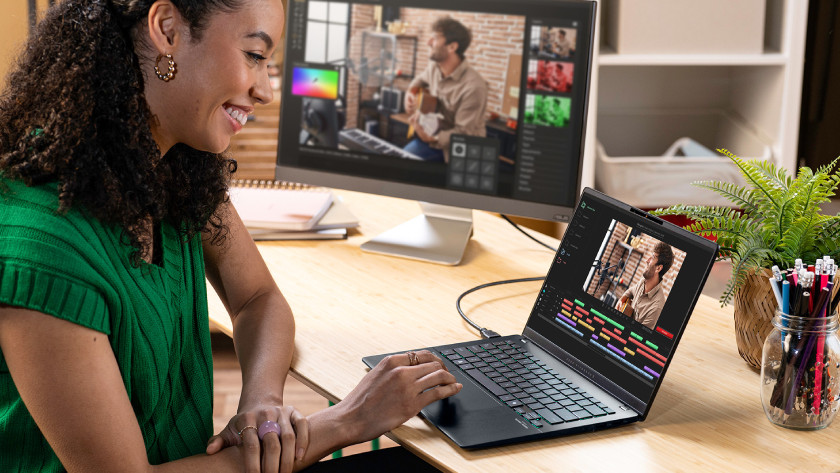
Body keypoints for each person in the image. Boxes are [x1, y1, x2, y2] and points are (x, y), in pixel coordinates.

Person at [0, 1, 461, 472]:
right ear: (167, 28)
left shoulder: (168, 165)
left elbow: (258, 298)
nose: (264, 90)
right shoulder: (43, 248)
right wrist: (347, 420)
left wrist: (261, 405)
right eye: (255, 56)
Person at [403, 17, 487, 163]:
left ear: (452, 47)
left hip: (457, 153)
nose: (429, 42)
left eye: (435, 38)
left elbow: (463, 134)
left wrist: (432, 138)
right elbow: (420, 80)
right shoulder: (434, 66)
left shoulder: (474, 87)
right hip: (433, 134)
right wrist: (410, 93)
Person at [616, 242, 675, 329]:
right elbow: (631, 290)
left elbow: (639, 336)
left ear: (658, 268)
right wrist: (622, 298)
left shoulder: (656, 307)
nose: (647, 260)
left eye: (652, 257)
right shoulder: (643, 281)